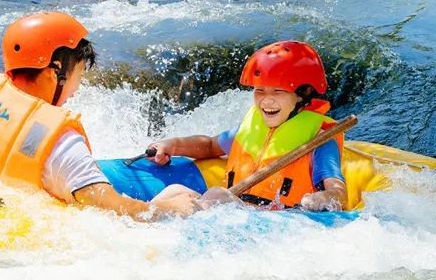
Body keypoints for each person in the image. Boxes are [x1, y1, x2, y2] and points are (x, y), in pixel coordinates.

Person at [0, 11, 195, 220]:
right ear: (55, 72)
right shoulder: (61, 144)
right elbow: (111, 209)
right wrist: (174, 209)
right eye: (80, 74)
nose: (77, 87)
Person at [147, 40, 348, 212]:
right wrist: (171, 145)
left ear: (302, 95)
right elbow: (210, 146)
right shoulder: (252, 127)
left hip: (281, 220)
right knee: (175, 190)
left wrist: (323, 197)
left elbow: (338, 193)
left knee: (218, 194)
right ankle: (140, 219)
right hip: (239, 212)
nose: (266, 101)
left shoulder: (319, 139)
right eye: (260, 91)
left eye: (277, 91)